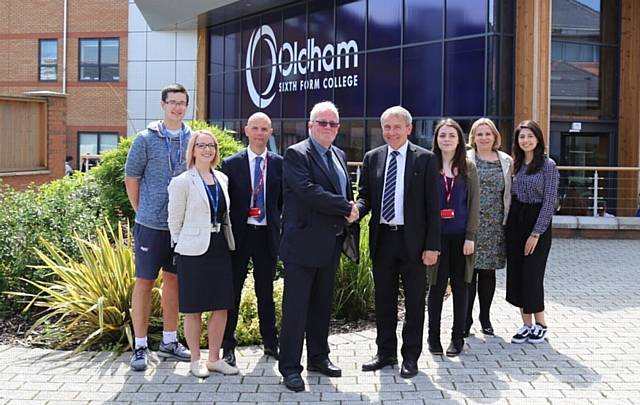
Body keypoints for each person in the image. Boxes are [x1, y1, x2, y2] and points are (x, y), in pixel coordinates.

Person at [278, 101, 359, 392]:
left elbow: (343, 189)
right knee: (296, 309)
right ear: (310, 125)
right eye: (322, 122)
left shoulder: (338, 153)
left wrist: (349, 210)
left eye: (332, 123)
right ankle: (289, 367)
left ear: (338, 128)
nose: (327, 127)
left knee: (322, 307)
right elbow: (308, 191)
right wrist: (346, 207)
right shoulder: (296, 154)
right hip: (302, 245)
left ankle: (318, 358)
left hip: (330, 244)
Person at [356, 106, 440, 378]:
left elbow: (433, 206)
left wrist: (432, 246)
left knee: (415, 302)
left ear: (409, 129)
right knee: (384, 301)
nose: (391, 132)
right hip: (383, 240)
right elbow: (366, 196)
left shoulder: (425, 159)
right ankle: (385, 353)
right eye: (387, 127)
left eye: (396, 127)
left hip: (414, 243)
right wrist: (354, 210)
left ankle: (410, 357)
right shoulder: (372, 158)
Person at [124, 83, 192, 371]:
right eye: (173, 102)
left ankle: (169, 341)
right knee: (144, 282)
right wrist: (143, 211)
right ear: (162, 105)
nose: (178, 107)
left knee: (174, 281)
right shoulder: (145, 139)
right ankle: (140, 346)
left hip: (182, 226)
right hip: (151, 225)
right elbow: (131, 177)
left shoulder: (193, 138)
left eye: (182, 102)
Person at [167, 130, 239, 378]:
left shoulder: (222, 178)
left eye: (211, 145)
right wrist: (184, 243)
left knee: (222, 306)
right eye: (201, 145)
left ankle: (214, 358)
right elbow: (174, 222)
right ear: (193, 150)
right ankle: (195, 359)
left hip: (219, 246)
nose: (207, 149)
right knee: (193, 308)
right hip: (193, 251)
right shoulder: (182, 181)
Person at [221, 112, 282, 366]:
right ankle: (227, 345)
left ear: (270, 132)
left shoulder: (280, 163)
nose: (259, 133)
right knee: (232, 291)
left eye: (264, 129)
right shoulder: (230, 163)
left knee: (265, 291)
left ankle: (270, 342)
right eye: (255, 128)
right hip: (240, 235)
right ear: (246, 131)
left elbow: (283, 201)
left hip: (267, 235)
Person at [427, 118, 479, 357]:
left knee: (461, 288)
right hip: (436, 240)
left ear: (459, 139)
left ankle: (457, 338)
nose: (446, 139)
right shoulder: (428, 164)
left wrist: (470, 237)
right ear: (436, 140)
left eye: (451, 135)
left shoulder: (468, 167)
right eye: (442, 135)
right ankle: (433, 337)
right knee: (436, 289)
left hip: (461, 239)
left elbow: (474, 205)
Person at [506, 120, 559, 344]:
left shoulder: (548, 165)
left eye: (529, 136)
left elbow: (549, 202)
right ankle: (526, 324)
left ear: (538, 138)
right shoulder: (515, 165)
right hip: (516, 222)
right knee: (517, 273)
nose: (525, 140)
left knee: (533, 275)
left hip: (537, 222)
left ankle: (541, 324)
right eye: (521, 137)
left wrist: (536, 233)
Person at [464, 118, 513, 337]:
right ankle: (465, 318)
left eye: (488, 134)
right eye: (479, 134)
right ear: (473, 137)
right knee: (468, 273)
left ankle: (485, 317)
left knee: (487, 273)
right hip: (470, 223)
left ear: (495, 137)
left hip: (494, 224)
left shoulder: (506, 160)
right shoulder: (465, 158)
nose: (484, 137)